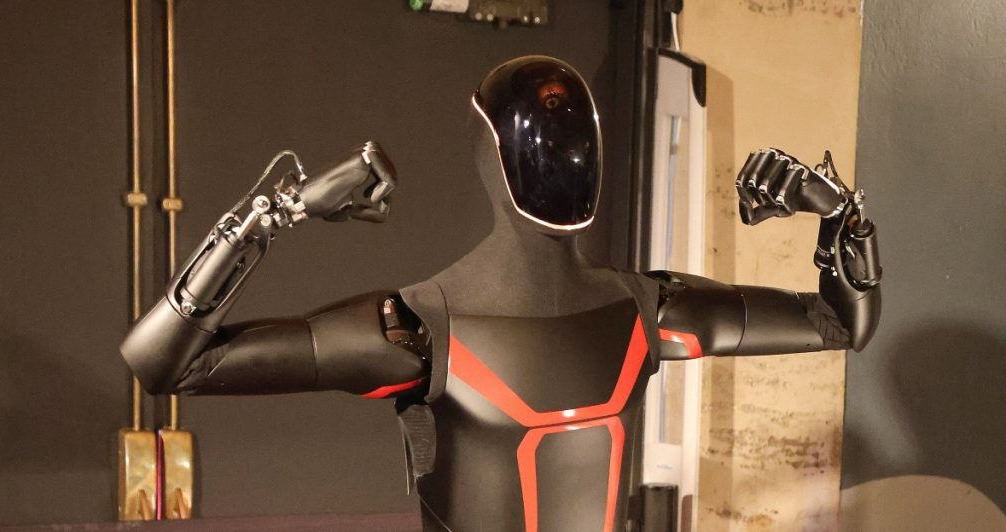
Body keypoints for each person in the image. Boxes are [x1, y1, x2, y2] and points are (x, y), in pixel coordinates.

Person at [121, 55, 881, 532]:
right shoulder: (646, 313)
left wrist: (268, 215)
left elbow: (163, 363)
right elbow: (840, 322)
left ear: (488, 155)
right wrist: (843, 219)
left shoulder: (415, 331)